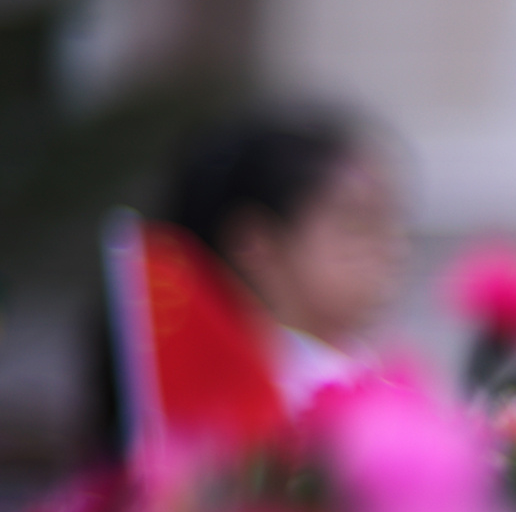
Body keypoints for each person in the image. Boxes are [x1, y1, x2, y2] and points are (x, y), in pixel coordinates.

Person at [163, 107, 408, 404]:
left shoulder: (359, 370)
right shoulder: (257, 407)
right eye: (356, 223)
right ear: (255, 245)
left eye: (388, 222)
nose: (391, 249)